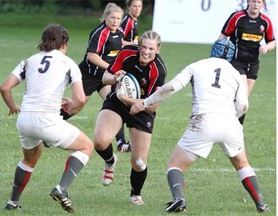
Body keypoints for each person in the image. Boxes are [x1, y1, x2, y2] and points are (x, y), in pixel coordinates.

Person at [130, 38, 270, 213]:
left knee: (175, 165)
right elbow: (243, 106)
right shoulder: (235, 73)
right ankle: (261, 203)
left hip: (204, 121)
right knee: (243, 164)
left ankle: (178, 199)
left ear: (213, 50)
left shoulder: (197, 65)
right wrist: (231, 119)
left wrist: (145, 103)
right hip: (230, 123)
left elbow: (172, 87)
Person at [0, 24, 94, 213]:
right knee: (86, 146)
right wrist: (71, 107)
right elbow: (81, 99)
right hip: (48, 121)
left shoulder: (29, 61)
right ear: (64, 43)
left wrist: (12, 106)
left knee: (29, 160)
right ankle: (61, 188)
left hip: (25, 120)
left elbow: (5, 87)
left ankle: (12, 203)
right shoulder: (68, 63)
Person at [93, 30, 167, 205]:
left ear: (158, 50)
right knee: (100, 141)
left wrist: (129, 99)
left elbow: (153, 104)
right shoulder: (126, 53)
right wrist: (115, 78)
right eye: (144, 47)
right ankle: (110, 161)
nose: (146, 52)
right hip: (117, 103)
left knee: (139, 161)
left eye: (151, 48)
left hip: (143, 109)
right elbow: (105, 77)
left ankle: (135, 194)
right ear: (139, 46)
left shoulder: (159, 70)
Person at [78, 3, 131, 152]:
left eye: (118, 18)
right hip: (89, 75)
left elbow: (120, 43)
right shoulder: (100, 32)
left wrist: (134, 44)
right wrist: (111, 68)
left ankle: (121, 142)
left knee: (114, 101)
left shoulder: (119, 31)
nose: (115, 21)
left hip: (104, 77)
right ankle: (48, 131)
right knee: (77, 105)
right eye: (112, 17)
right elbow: (92, 55)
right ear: (105, 17)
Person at [217, 0, 276, 124]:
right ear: (248, 2)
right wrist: (218, 55)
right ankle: (234, 127)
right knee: (242, 96)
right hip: (236, 61)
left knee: (243, 100)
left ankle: (233, 126)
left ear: (263, 4)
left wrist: (266, 47)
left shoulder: (265, 21)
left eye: (259, 2)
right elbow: (223, 36)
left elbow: (272, 42)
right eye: (253, 1)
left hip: (253, 64)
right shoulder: (237, 17)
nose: (256, 4)